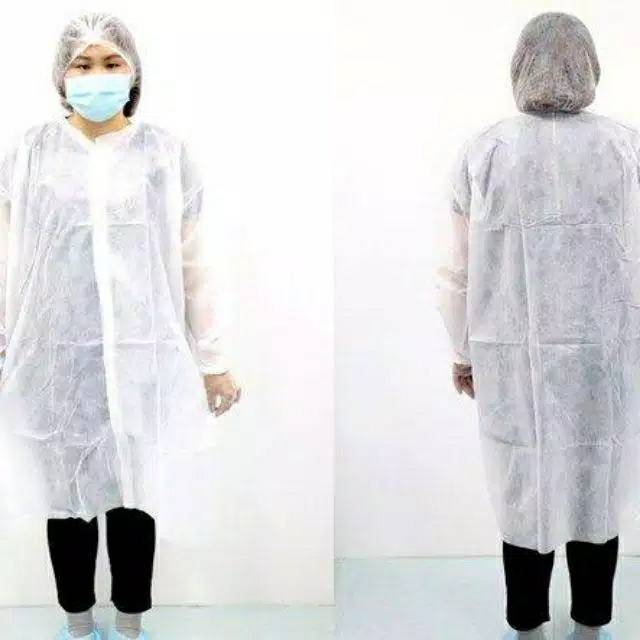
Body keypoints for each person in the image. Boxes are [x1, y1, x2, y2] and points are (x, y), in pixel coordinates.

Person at [0, 12, 241, 640]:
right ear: (60, 75)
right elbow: (9, 255)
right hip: (54, 359)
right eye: (82, 64)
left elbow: (194, 260)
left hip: (142, 357)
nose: (97, 76)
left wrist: (213, 360)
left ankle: (131, 626)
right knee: (68, 501)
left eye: (111, 63)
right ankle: (78, 625)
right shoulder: (29, 154)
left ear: (134, 74)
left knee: (135, 498)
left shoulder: (164, 153)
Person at [435, 12, 640, 640]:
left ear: (519, 64)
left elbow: (455, 270)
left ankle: (527, 625)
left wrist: (463, 351)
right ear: (591, 64)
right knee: (596, 482)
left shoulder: (486, 149)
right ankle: (591, 625)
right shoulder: (626, 147)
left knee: (525, 486)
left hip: (511, 358)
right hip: (607, 357)